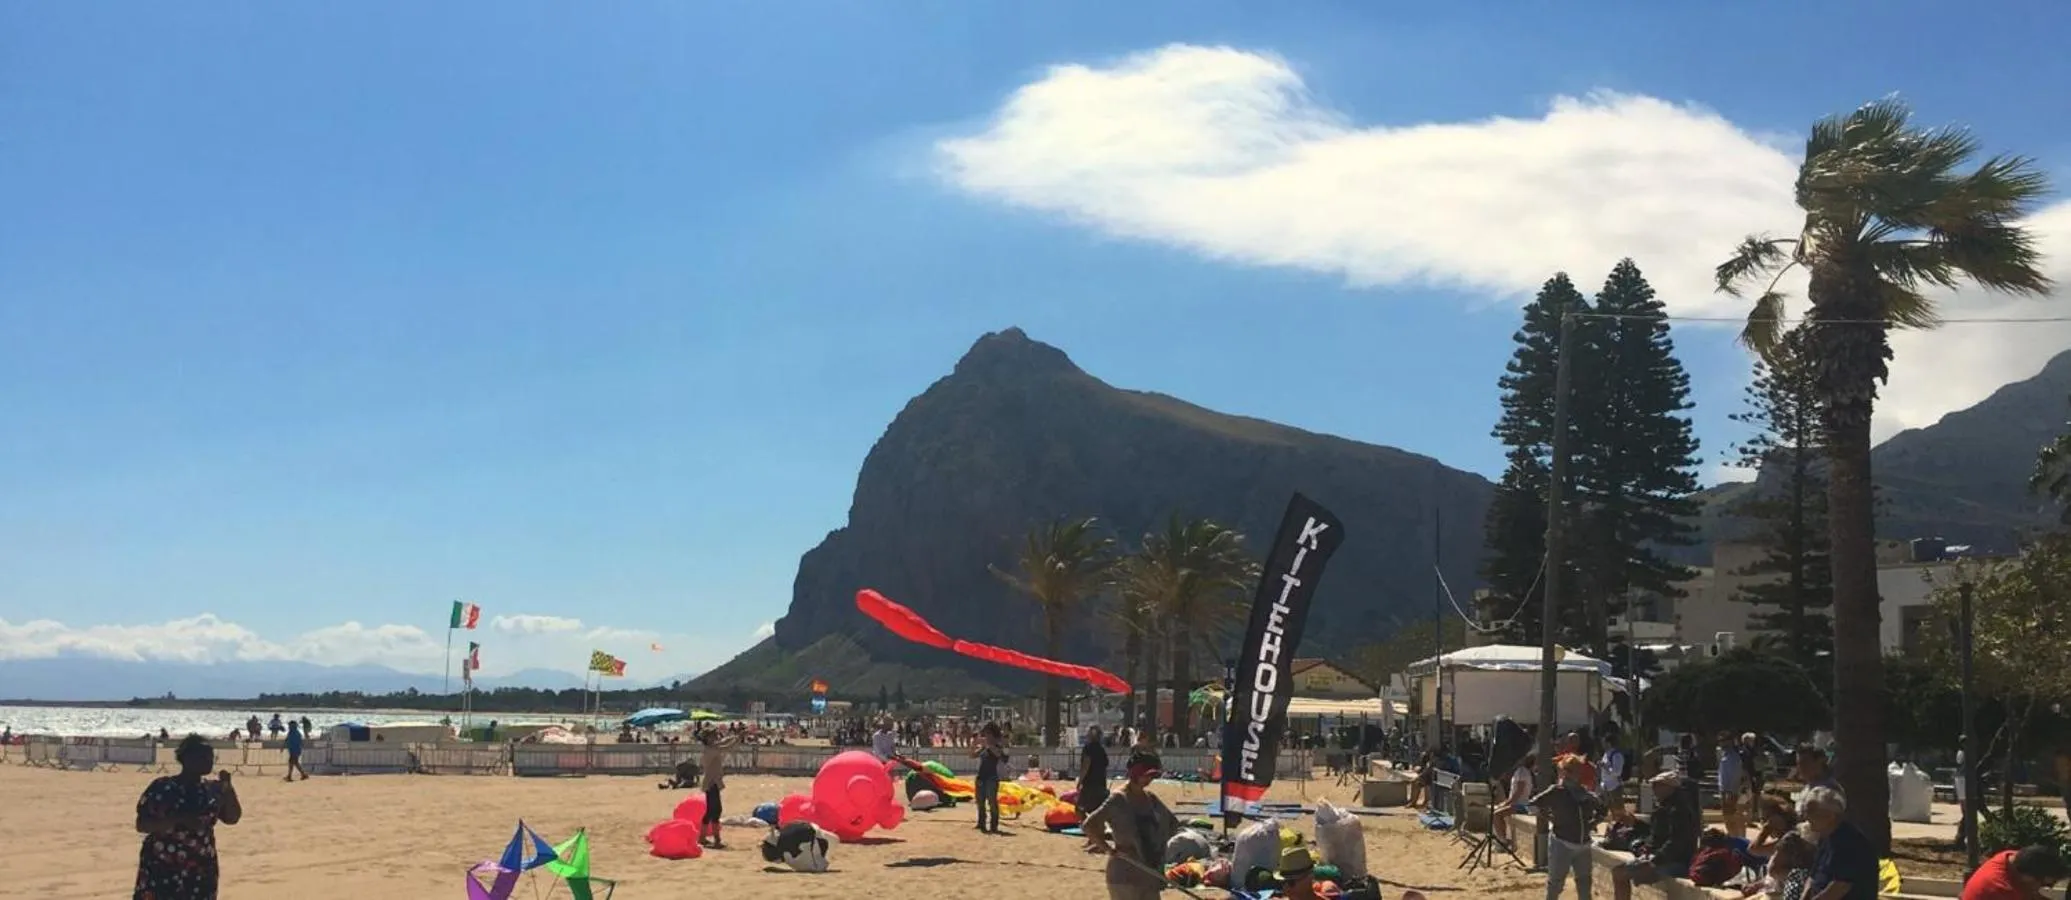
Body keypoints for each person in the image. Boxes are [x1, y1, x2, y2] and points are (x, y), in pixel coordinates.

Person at [135, 733, 242, 900]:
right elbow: (142, 824)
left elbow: (232, 818)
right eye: (203, 756)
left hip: (200, 869)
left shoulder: (212, 790)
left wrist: (228, 789)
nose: (209, 760)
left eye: (211, 756)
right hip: (163, 867)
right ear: (186, 758)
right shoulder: (163, 787)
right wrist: (178, 819)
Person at [1081, 749, 1180, 900]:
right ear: (1136, 773)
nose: (1149, 780)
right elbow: (1089, 825)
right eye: (1147, 775)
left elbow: (1172, 824)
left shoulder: (1151, 798)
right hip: (1124, 875)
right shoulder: (1118, 799)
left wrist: (1157, 847)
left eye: (1152, 776)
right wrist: (1108, 848)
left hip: (1149, 875)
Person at [1611, 772, 1698, 900]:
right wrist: (1635, 823)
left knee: (1619, 874)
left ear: (1669, 787)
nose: (1653, 789)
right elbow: (1655, 833)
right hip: (1662, 858)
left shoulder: (1679, 810)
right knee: (1618, 872)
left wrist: (1654, 861)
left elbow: (1676, 842)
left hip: (1676, 862)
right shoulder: (1666, 807)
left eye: (1657, 785)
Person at [1535, 756, 1602, 900]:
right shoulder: (1556, 791)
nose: (1574, 774)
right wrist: (1550, 818)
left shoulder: (1584, 793)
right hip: (1562, 842)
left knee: (1585, 884)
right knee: (1555, 884)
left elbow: (1602, 809)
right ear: (1563, 771)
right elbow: (1535, 804)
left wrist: (1593, 823)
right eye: (1570, 770)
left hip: (1583, 844)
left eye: (1577, 770)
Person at [1800, 786, 1876, 900]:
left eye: (1811, 812)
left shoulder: (1850, 842)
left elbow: (1839, 887)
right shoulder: (1825, 837)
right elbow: (1813, 877)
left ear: (1831, 816)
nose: (1806, 816)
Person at [1960, 844, 2070, 900]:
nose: (2045, 888)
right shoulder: (2002, 890)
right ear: (2028, 877)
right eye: (2046, 884)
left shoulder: (2010, 857)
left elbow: (2032, 895)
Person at [697, 728, 740, 849]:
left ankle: (704, 838)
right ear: (707, 739)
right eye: (712, 736)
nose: (715, 738)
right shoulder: (711, 750)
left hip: (712, 783)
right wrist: (737, 738)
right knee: (715, 811)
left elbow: (722, 742)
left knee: (712, 811)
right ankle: (715, 840)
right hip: (712, 783)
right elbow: (727, 747)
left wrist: (735, 736)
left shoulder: (710, 748)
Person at [971, 722, 1007, 833]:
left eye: (988, 734)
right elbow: (972, 755)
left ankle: (994, 825)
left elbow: (1000, 756)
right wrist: (973, 744)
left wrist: (988, 744)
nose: (986, 736)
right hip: (981, 777)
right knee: (980, 802)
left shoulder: (997, 746)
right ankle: (981, 823)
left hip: (992, 778)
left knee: (992, 803)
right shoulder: (984, 748)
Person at [1495, 755, 1534, 847]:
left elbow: (1518, 792)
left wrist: (1507, 803)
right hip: (1518, 803)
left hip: (1520, 805)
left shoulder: (1522, 771)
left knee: (1496, 814)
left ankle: (1503, 842)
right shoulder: (1522, 771)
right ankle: (1502, 839)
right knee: (1497, 811)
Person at [1716, 731, 1747, 837]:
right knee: (1728, 818)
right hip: (1725, 791)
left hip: (1730, 792)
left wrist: (1731, 792)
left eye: (1723, 741)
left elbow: (1735, 776)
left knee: (1732, 818)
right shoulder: (1725, 756)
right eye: (1720, 741)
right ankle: (1734, 836)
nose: (1721, 743)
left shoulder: (1733, 757)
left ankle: (1737, 839)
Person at [1078, 725, 1111, 818]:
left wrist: (1080, 781)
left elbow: (1086, 765)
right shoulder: (1101, 749)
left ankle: (1086, 825)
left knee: (1079, 808)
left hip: (1090, 784)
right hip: (1101, 784)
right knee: (1098, 809)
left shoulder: (1088, 748)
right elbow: (1105, 764)